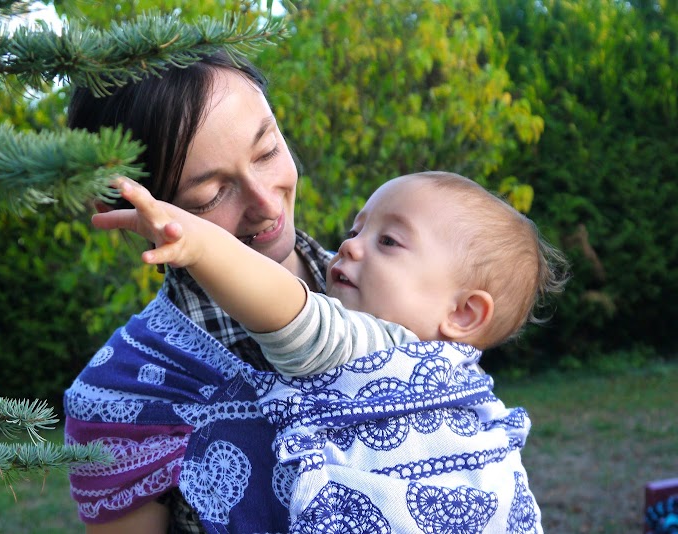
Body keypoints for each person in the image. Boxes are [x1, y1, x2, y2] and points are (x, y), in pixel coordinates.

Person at [91, 170, 569, 533]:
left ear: (463, 314)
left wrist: (199, 244)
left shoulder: (380, 345)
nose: (350, 246)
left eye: (388, 241)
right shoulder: (467, 387)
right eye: (357, 230)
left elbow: (284, 308)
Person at [63, 50, 333, 533]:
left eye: (268, 150)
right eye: (210, 195)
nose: (266, 204)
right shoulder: (120, 399)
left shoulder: (405, 291)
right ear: (129, 212)